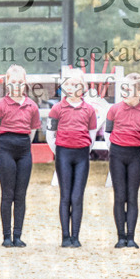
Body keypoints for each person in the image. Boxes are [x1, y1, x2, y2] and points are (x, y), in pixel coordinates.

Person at [0, 64, 41, 247]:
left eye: (20, 82)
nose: (17, 85)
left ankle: (18, 235)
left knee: (21, 194)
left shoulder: (31, 106)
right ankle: (6, 236)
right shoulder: (0, 105)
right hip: (5, 148)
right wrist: (0, 151)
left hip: (24, 149)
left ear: (25, 83)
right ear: (7, 83)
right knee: (7, 194)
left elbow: (34, 129)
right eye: (13, 82)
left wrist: (25, 143)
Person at [105, 72, 140, 249]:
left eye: (130, 89)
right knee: (120, 196)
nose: (125, 92)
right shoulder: (114, 110)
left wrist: (137, 151)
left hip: (135, 155)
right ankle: (121, 236)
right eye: (123, 88)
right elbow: (107, 133)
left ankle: (131, 237)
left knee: (132, 196)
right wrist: (115, 149)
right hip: (117, 154)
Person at [47, 68, 96, 248]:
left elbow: (91, 135)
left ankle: (76, 235)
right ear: (62, 87)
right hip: (63, 154)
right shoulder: (57, 108)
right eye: (67, 84)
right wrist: (60, 150)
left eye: (75, 84)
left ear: (82, 87)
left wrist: (83, 149)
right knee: (65, 195)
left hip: (82, 155)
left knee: (77, 196)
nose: (71, 87)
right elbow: (50, 134)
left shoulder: (89, 110)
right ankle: (65, 236)